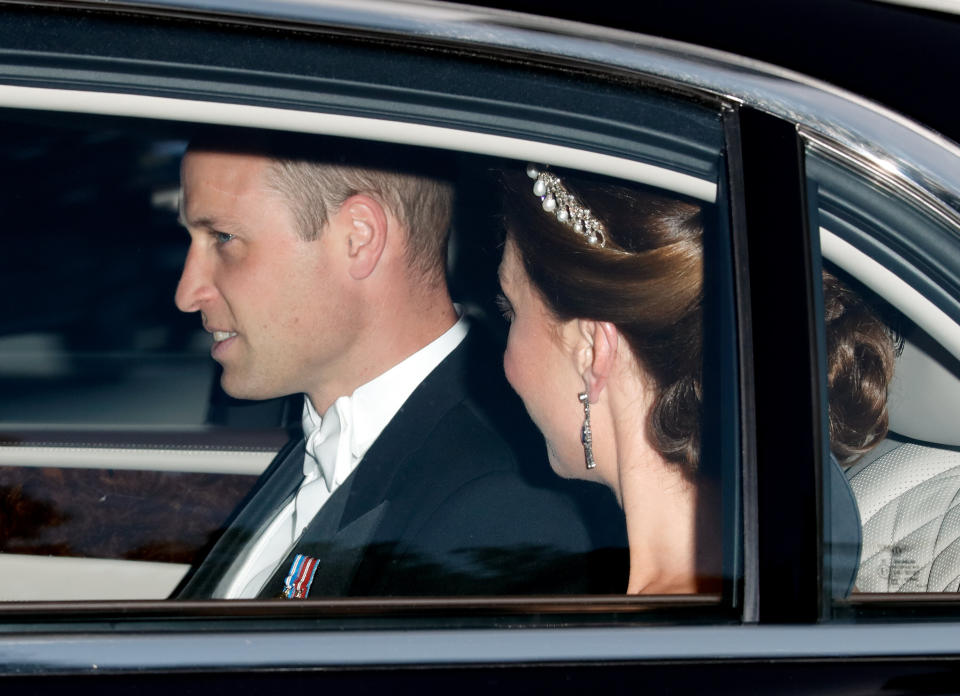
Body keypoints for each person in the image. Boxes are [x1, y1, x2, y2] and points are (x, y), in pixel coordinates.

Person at [173, 136, 613, 599]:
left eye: (223, 238)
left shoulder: (499, 508)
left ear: (358, 238)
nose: (187, 293)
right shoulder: (329, 429)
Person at [496, 164, 896, 595]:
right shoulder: (767, 591)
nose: (506, 362)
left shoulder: (659, 641)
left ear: (593, 350)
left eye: (512, 311)